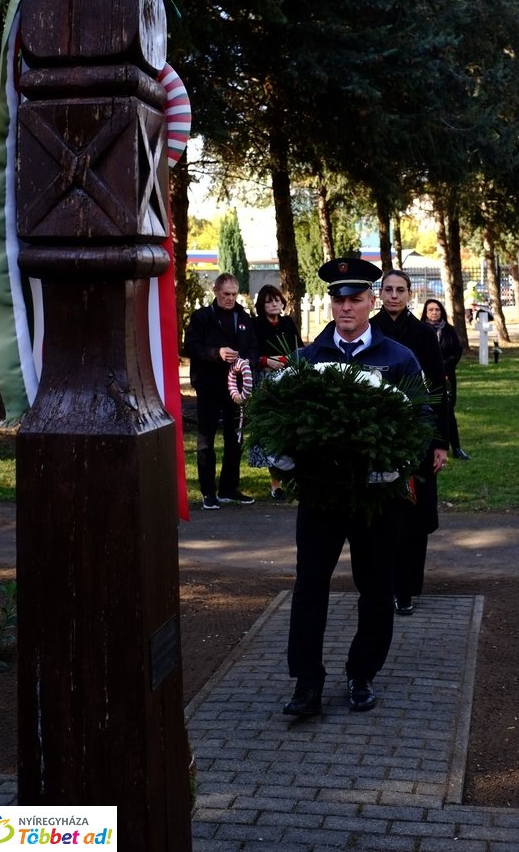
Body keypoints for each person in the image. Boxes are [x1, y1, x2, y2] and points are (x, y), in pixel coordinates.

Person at [283, 257, 423, 719]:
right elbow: (283, 422)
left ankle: (361, 673)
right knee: (309, 587)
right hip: (322, 497)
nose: (346, 308)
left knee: (377, 588)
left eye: (356, 299)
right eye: (338, 299)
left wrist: (397, 464)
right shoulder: (307, 360)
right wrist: (283, 456)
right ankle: (307, 681)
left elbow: (422, 420)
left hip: (376, 500)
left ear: (372, 302)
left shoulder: (398, 359)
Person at [371, 272, 448, 617]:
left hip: (417, 437)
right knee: (379, 517)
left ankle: (407, 589)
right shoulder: (369, 330)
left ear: (409, 294)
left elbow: (438, 391)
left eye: (400, 290)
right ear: (380, 293)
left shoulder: (422, 334)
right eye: (388, 290)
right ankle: (381, 586)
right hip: (377, 437)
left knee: (415, 518)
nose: (394, 296)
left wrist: (440, 442)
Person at [184, 273, 258, 508]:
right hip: (209, 385)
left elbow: (254, 348)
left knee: (235, 438)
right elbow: (191, 346)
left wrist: (246, 363)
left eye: (234, 294)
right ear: (215, 291)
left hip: (235, 387)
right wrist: (217, 353)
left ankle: (229, 488)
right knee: (206, 438)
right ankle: (208, 491)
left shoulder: (244, 317)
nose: (230, 298)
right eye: (226, 294)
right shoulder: (202, 317)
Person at [249, 284, 303, 501]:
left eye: (277, 300)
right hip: (265, 380)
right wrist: (265, 361)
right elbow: (250, 352)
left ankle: (295, 479)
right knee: (270, 430)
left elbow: (299, 347)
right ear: (262, 305)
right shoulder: (255, 325)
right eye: (269, 301)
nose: (273, 304)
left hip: (288, 378)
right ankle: (275, 484)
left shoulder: (288, 322)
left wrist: (290, 360)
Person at [421, 298, 470, 460]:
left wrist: (442, 367)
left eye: (437, 309)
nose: (434, 313)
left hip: (446, 377)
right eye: (431, 310)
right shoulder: (420, 330)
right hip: (424, 378)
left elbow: (456, 352)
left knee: (448, 412)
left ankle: (456, 447)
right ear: (425, 312)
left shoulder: (449, 330)